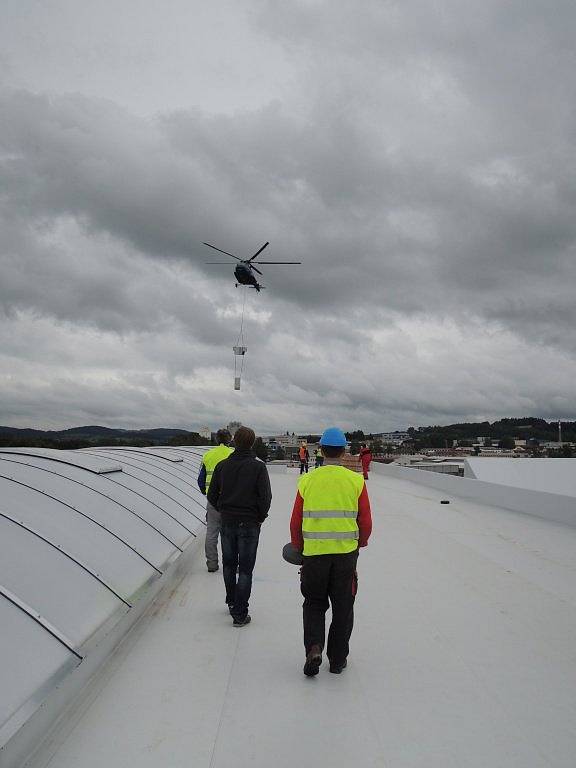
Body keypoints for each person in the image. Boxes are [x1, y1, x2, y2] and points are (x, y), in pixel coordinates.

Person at [290, 427, 372, 676]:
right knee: (343, 606)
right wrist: (360, 543)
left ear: (321, 451)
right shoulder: (355, 480)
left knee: (314, 603)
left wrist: (299, 548)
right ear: (344, 450)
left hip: (314, 555)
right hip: (346, 555)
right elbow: (365, 521)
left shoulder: (307, 480)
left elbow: (296, 522)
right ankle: (337, 660)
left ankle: (314, 647)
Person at [208, 426, 272, 627]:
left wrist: (223, 508)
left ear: (234, 442)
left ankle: (231, 601)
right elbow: (265, 497)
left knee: (229, 564)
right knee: (245, 568)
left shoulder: (222, 466)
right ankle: (240, 612)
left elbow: (211, 495)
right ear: (252, 443)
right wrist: (260, 517)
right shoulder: (258, 467)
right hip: (249, 523)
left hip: (227, 521)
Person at [197, 429, 234, 572]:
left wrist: (206, 493)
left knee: (211, 533)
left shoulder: (207, 455)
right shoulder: (233, 455)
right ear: (229, 440)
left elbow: (200, 480)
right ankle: (230, 564)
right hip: (231, 501)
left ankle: (212, 564)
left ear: (217, 440)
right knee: (230, 534)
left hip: (212, 501)